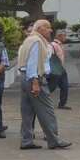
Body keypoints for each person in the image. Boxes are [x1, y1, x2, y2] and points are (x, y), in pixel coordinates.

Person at [18, 20, 72, 150]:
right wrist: (35, 82)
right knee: (47, 110)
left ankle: (26, 140)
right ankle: (54, 140)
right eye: (48, 28)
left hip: (25, 78)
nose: (50, 30)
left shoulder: (28, 40)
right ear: (41, 28)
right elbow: (33, 63)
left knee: (27, 112)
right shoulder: (37, 41)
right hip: (34, 79)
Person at [48, 30, 70, 110]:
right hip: (56, 70)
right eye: (64, 36)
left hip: (61, 69)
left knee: (65, 86)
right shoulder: (52, 45)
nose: (65, 37)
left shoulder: (60, 45)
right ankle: (40, 99)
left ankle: (62, 104)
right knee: (51, 87)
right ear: (59, 36)